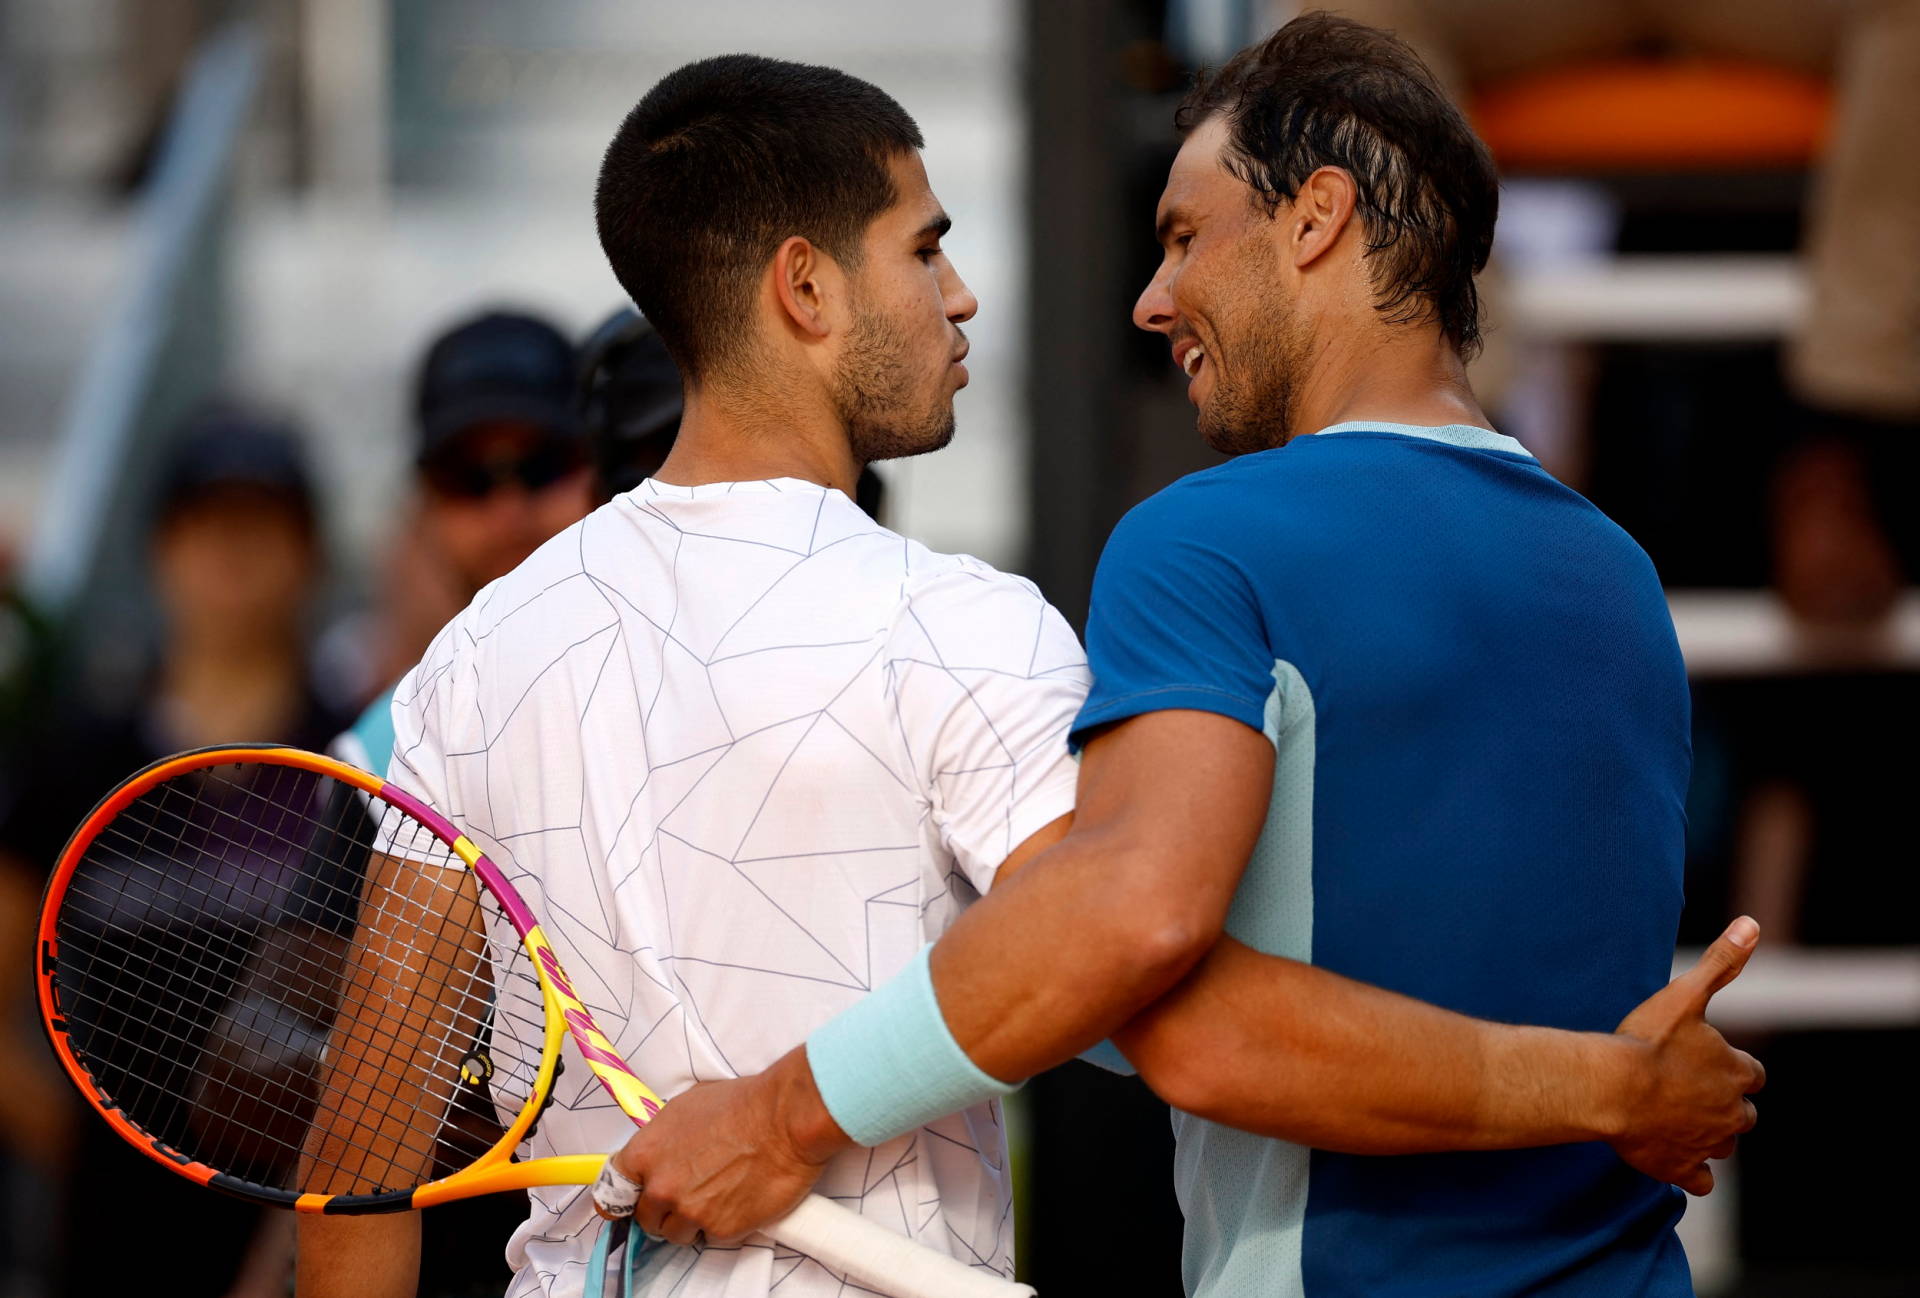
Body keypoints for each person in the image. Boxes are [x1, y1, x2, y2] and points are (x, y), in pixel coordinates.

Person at [300, 47, 1758, 1298]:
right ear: (803, 288)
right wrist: (1598, 1086)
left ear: (1318, 225)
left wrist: (788, 1107)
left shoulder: (464, 665)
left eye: (1185, 238)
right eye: (925, 246)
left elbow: (362, 1148)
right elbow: (1154, 993)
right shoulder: (973, 626)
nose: (967, 293)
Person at [0, 405, 349, 1297]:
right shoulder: (75, 761)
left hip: (306, 1240)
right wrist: (84, 1143)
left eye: (260, 523)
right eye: (205, 522)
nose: (230, 551)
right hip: (107, 1249)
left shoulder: (358, 762)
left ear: (309, 553)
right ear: (161, 547)